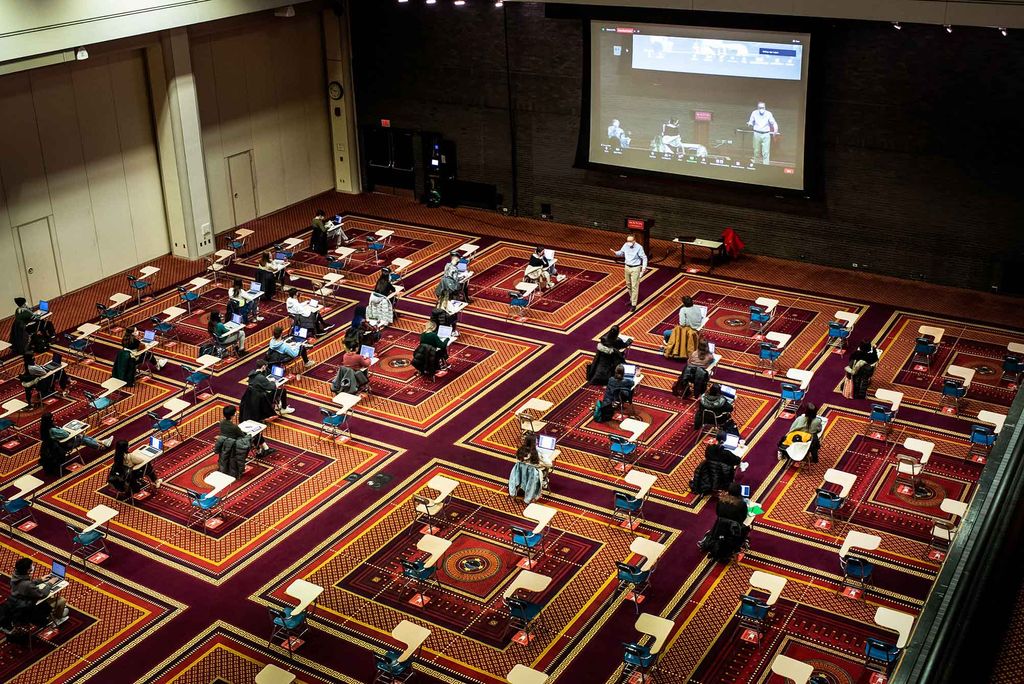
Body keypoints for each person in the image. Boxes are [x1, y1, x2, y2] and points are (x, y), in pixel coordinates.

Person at [38, 411, 112, 477]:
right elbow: (66, 434)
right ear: (50, 419)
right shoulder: (52, 430)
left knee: (81, 436)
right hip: (65, 445)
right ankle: (101, 447)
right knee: (82, 439)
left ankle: (102, 442)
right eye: (52, 417)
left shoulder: (44, 429)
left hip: (59, 445)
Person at [9, 557, 68, 625]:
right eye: (31, 566)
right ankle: (57, 619)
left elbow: (26, 584)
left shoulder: (15, 577)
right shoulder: (27, 585)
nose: (33, 567)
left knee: (51, 597)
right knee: (62, 600)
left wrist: (40, 580)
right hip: (31, 610)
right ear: (28, 570)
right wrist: (50, 583)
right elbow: (43, 594)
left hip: (19, 605)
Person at [611, 234, 647, 312]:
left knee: (634, 286)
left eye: (630, 241)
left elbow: (644, 258)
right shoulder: (625, 245)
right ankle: (632, 299)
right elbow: (621, 252)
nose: (629, 242)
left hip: (635, 268)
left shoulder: (639, 247)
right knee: (628, 285)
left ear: (634, 241)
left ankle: (634, 304)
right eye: (628, 241)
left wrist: (643, 269)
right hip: (627, 267)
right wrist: (616, 252)